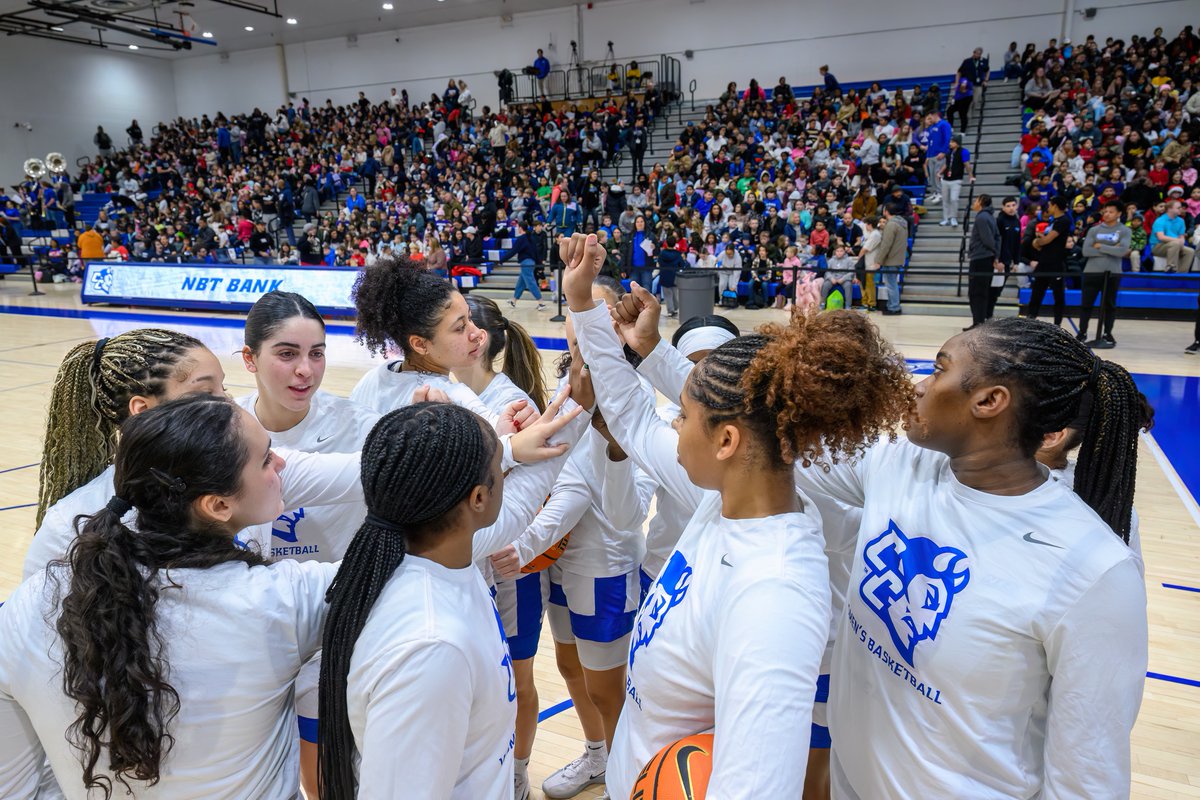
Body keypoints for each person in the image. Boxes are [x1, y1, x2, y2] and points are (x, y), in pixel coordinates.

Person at [558, 232, 915, 800]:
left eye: (685, 417)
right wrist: (582, 304)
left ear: (726, 439)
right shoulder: (719, 498)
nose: (671, 424)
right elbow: (627, 413)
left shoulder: (773, 593)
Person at [795, 317, 1149, 800]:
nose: (919, 386)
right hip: (850, 780)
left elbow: (1087, 779)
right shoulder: (901, 461)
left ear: (989, 401)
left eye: (937, 370)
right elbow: (782, 459)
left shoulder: (1094, 569)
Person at [1, 395, 340, 798]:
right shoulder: (284, 599)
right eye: (267, 459)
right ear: (217, 505)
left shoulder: (32, 603)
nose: (282, 463)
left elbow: (12, 787)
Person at [317, 391, 585, 800]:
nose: (510, 471)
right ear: (478, 499)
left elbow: (524, 496)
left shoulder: (448, 556)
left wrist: (583, 396)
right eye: (503, 465)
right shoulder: (431, 648)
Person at [235, 291, 380, 798]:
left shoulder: (358, 428)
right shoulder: (222, 431)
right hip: (252, 628)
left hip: (334, 627)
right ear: (250, 358)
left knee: (333, 776)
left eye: (316, 353)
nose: (305, 371)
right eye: (287, 353)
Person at [457, 295, 549, 800]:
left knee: (516, 675)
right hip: (460, 564)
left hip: (508, 566)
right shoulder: (444, 391)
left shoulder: (515, 403)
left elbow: (531, 501)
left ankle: (517, 771)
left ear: (478, 340)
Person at [1079, 202, 1132, 349]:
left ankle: (1107, 333)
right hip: (1092, 272)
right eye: (1105, 211)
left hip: (1113, 273)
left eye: (1111, 211)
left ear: (1119, 214)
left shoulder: (1125, 230)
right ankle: (1082, 333)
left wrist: (1100, 246)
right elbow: (1086, 251)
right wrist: (1112, 248)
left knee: (1109, 305)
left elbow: (1122, 251)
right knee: (1086, 304)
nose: (1107, 214)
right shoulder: (1094, 230)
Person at [1027, 196, 1070, 325]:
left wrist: (1038, 241)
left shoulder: (1063, 221)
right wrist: (1038, 242)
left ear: (1055, 206)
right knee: (1036, 293)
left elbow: (1046, 240)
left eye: (1050, 205)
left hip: (1055, 263)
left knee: (1058, 296)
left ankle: (1057, 325)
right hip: (1043, 262)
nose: (1048, 207)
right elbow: (1041, 242)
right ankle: (1030, 321)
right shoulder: (1052, 221)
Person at [966, 194, 1002, 329]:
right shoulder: (990, 217)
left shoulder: (981, 217)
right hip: (986, 258)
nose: (974, 203)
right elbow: (998, 238)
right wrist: (996, 255)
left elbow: (988, 240)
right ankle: (979, 322)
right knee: (981, 292)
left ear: (981, 202)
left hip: (980, 258)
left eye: (976, 200)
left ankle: (978, 324)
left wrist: (994, 254)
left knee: (976, 292)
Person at [507, 220, 547, 310]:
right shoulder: (530, 237)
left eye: (518, 227)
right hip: (530, 263)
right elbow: (536, 252)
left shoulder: (522, 238)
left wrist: (501, 260)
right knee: (521, 283)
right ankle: (514, 300)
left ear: (520, 228)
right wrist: (539, 263)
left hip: (526, 263)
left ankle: (541, 302)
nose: (517, 229)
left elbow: (513, 251)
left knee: (531, 283)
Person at [878, 201, 909, 315]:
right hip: (898, 258)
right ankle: (892, 305)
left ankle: (894, 307)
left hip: (891, 259)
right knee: (892, 284)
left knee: (891, 285)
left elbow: (886, 244)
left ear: (886, 211)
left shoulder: (891, 225)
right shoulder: (902, 222)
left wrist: (878, 260)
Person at [1150, 200, 1195, 273]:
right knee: (1175, 243)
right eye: (1178, 207)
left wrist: (1181, 242)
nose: (1181, 209)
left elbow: (1181, 236)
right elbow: (1161, 237)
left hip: (1175, 245)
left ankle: (1181, 274)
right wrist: (1177, 241)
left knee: (1190, 251)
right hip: (1158, 246)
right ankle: (1171, 267)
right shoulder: (1160, 220)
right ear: (1170, 209)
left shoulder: (1181, 221)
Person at [938, 135, 973, 227]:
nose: (950, 144)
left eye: (952, 142)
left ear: (957, 143)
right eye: (950, 142)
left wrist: (971, 176)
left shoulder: (964, 152)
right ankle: (946, 218)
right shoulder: (948, 152)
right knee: (945, 200)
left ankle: (953, 217)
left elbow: (967, 165)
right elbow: (947, 164)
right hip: (946, 179)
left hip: (956, 179)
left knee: (954, 199)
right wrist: (940, 172)